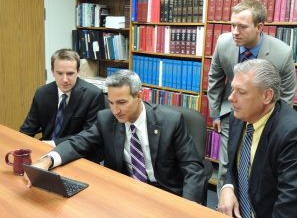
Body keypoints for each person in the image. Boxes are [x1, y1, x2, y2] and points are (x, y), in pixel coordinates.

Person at [25, 70, 206, 204]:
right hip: (126, 193)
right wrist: (46, 160)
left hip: (164, 193)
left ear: (139, 96)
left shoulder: (170, 121)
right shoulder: (107, 119)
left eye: (121, 102)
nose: (115, 110)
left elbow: (193, 167)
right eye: (110, 102)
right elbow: (79, 142)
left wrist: (187, 207)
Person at [207, 0, 296, 194]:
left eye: (242, 26)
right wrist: (215, 114)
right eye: (232, 25)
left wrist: (274, 124)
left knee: (258, 168)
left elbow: (287, 92)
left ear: (260, 27)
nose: (235, 32)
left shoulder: (282, 53)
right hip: (231, 111)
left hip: (265, 117)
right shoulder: (223, 43)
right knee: (226, 167)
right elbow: (214, 78)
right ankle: (224, 208)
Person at [217, 59, 297, 218]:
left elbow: (290, 206)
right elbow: (233, 167)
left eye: (241, 92)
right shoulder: (238, 116)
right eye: (232, 89)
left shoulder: (293, 133)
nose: (231, 98)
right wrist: (227, 187)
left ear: (267, 96)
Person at [20, 48, 105, 163]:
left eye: (70, 73)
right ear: (52, 72)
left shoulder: (93, 95)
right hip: (45, 151)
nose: (65, 80)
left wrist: (53, 143)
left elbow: (88, 136)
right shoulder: (42, 93)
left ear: (78, 71)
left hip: (78, 155)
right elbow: (27, 129)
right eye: (59, 73)